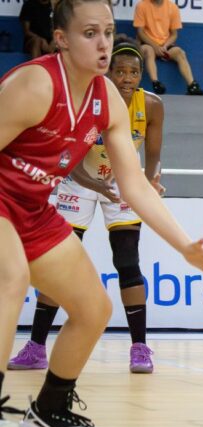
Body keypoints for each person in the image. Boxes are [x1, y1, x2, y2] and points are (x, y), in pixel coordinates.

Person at [0, 0, 203, 427]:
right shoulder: (34, 84)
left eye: (108, 31)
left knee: (94, 309)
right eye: (90, 33)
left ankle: (49, 411)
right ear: (61, 39)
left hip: (33, 208)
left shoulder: (107, 98)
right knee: (10, 279)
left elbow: (136, 186)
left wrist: (185, 246)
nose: (104, 43)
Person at [8, 36, 165, 375]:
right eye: (119, 71)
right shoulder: (94, 99)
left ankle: (139, 347)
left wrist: (149, 180)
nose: (126, 78)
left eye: (134, 72)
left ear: (141, 75)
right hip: (78, 181)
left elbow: (152, 152)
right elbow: (70, 152)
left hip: (122, 183)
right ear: (108, 73)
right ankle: (36, 346)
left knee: (128, 260)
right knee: (56, 262)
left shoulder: (151, 105)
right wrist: (94, 184)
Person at [133, 0, 203, 95]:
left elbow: (174, 35)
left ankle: (192, 85)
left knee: (180, 53)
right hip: (147, 43)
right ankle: (156, 83)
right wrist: (155, 46)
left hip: (165, 45)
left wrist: (165, 46)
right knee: (149, 51)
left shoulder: (172, 7)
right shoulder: (141, 6)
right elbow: (140, 32)